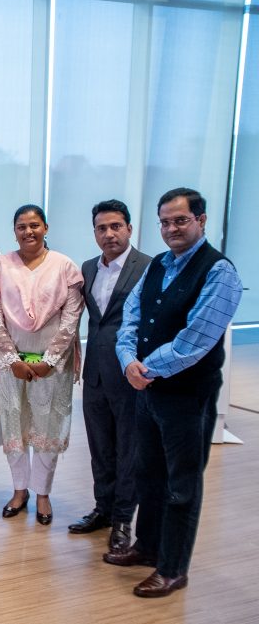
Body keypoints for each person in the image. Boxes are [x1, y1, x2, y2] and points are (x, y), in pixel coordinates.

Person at [109, 188, 242, 598]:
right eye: (165, 222)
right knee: (148, 474)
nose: (171, 229)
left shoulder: (219, 272)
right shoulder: (158, 264)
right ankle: (147, 547)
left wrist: (144, 369)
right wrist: (128, 360)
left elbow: (195, 339)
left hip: (188, 395)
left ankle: (172, 569)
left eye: (180, 220)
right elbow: (131, 317)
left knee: (181, 485)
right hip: (148, 390)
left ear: (201, 220)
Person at [0, 204, 84, 525]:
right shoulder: (0, 267)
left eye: (34, 225)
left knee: (47, 427)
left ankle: (42, 494)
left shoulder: (65, 267)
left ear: (45, 228)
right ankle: (19, 490)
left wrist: (48, 361)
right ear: (14, 232)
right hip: (9, 365)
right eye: (21, 226)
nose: (28, 231)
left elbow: (71, 320)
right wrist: (12, 360)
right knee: (15, 425)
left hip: (53, 366)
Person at [68, 200, 151, 551]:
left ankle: (122, 520)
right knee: (100, 448)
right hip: (95, 375)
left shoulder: (148, 267)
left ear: (129, 228)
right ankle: (102, 509)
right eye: (102, 228)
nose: (109, 234)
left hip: (130, 374)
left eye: (116, 226)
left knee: (128, 450)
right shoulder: (88, 268)